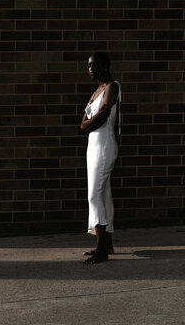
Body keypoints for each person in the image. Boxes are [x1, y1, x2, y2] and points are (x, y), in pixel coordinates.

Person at [80, 52, 121, 264]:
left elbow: (104, 115)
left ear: (105, 66)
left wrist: (90, 122)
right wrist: (91, 122)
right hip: (93, 148)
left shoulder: (112, 86)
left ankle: (101, 250)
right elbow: (82, 124)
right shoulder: (96, 92)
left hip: (104, 146)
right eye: (89, 65)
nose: (91, 68)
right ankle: (108, 244)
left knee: (93, 195)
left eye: (95, 65)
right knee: (104, 194)